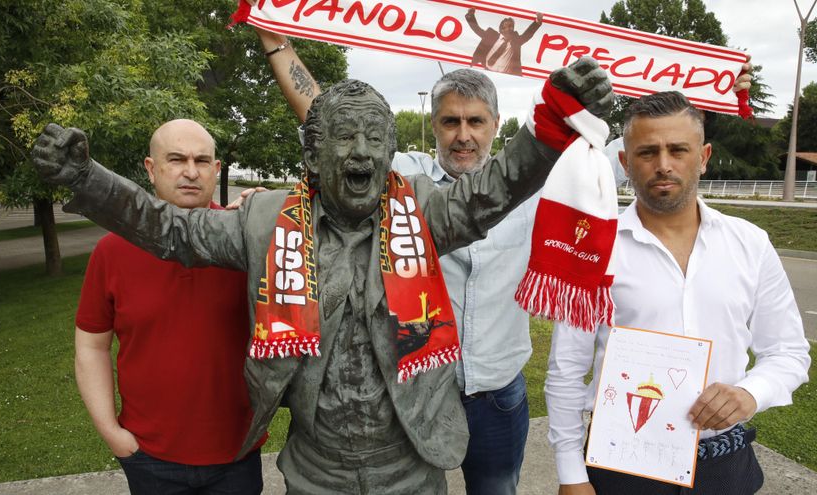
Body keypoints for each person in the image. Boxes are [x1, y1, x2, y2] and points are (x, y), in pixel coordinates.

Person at [33, 59, 614, 494]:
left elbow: (494, 190)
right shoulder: (264, 223)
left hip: (409, 469)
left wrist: (554, 121)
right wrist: (88, 180)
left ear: (391, 152)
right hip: (315, 472)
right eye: (343, 136)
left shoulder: (421, 209)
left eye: (374, 139)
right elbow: (169, 230)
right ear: (312, 155)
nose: (360, 152)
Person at [252, 25, 539, 494]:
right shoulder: (402, 181)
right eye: (450, 122)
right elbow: (326, 117)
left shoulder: (525, 194)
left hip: (495, 394)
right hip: (415, 391)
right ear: (433, 125)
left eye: (475, 121)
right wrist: (276, 45)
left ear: (496, 124)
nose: (463, 135)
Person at [545, 91, 811, 495]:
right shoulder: (595, 251)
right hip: (623, 460)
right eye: (648, 152)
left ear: (703, 156)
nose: (664, 165)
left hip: (723, 461)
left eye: (678, 150)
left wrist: (749, 393)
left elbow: (789, 353)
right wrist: (571, 473)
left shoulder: (750, 243)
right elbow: (566, 370)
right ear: (625, 163)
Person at [74, 119, 263, 494]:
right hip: (150, 457)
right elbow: (91, 346)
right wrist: (112, 432)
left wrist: (269, 217)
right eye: (176, 159)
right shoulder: (111, 252)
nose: (191, 172)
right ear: (151, 168)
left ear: (216, 169)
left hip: (237, 456)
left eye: (202, 161)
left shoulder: (250, 242)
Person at [466, 8, 543, 76]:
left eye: (512, 27)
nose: (511, 29)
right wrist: (471, 15)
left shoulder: (516, 41)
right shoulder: (491, 36)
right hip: (486, 72)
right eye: (508, 26)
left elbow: (527, 34)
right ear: (501, 29)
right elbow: (478, 30)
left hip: (505, 77)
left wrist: (537, 22)